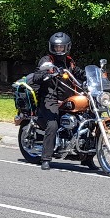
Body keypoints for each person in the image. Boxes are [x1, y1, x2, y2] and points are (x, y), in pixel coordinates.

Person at [33, 32, 96, 171]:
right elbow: (37, 75)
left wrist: (90, 76)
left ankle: (87, 158)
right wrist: (47, 73)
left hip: (69, 97)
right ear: (52, 47)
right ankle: (46, 158)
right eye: (56, 47)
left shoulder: (69, 61)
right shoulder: (46, 60)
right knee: (53, 124)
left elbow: (78, 72)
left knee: (90, 120)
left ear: (67, 47)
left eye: (61, 47)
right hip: (50, 98)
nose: (59, 50)